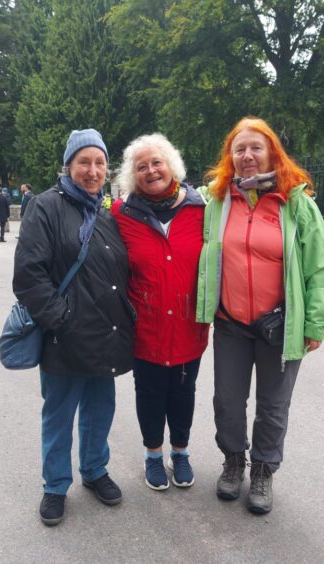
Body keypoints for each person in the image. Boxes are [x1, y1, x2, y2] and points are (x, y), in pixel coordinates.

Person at [196, 116, 324, 514]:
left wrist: (314, 322)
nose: (247, 156)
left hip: (281, 325)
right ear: (230, 157)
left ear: (272, 153)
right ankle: (233, 461)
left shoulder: (296, 203)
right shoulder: (219, 201)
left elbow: (320, 269)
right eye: (239, 149)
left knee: (273, 405)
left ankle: (262, 469)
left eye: (256, 148)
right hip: (231, 323)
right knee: (227, 400)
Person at [12, 128, 134, 526]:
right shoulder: (45, 207)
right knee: (59, 415)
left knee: (100, 410)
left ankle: (95, 471)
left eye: (99, 162)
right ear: (69, 165)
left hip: (106, 334)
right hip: (64, 337)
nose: (93, 170)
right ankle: (55, 485)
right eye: (85, 161)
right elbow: (29, 275)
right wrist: (61, 319)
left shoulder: (105, 212)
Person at [111, 134, 208, 491]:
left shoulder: (201, 210)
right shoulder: (120, 214)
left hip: (188, 327)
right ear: (132, 176)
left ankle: (180, 453)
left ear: (171, 166)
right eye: (142, 167)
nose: (151, 171)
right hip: (145, 328)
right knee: (150, 394)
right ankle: (153, 455)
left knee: (183, 393)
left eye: (157, 163)